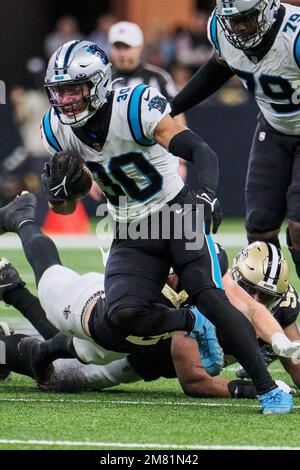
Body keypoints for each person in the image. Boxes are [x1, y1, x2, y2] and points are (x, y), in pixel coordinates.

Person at [37, 39, 292, 412]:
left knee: (211, 294)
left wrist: (205, 195)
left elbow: (201, 152)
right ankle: (190, 321)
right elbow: (62, 208)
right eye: (59, 91)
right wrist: (61, 192)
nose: (66, 100)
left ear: (99, 83)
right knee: (121, 315)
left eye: (74, 88)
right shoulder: (55, 129)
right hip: (131, 229)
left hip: (176, 212)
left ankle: (268, 389)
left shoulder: (135, 106)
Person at [0, 241, 299, 404]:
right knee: (54, 370)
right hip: (130, 353)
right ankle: (12, 300)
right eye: (251, 290)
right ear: (233, 280)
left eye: (268, 297)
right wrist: (254, 389)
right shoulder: (209, 293)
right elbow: (193, 380)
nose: (258, 301)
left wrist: (284, 346)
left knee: (56, 341)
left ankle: (12, 290)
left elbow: (289, 355)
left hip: (124, 327)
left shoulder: (275, 309)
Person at [170, 0, 300, 279]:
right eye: (233, 20)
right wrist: (173, 108)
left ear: (266, 9)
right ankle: (275, 310)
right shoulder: (220, 29)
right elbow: (219, 67)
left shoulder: (295, 34)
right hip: (274, 128)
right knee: (259, 231)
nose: (238, 27)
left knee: (299, 225)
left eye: (246, 18)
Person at [108, 21, 187, 179]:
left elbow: (176, 113)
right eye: (118, 48)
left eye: (127, 47)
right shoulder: (103, 80)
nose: (122, 54)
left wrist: (181, 159)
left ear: (140, 48)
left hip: (155, 157)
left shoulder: (158, 77)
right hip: (116, 161)